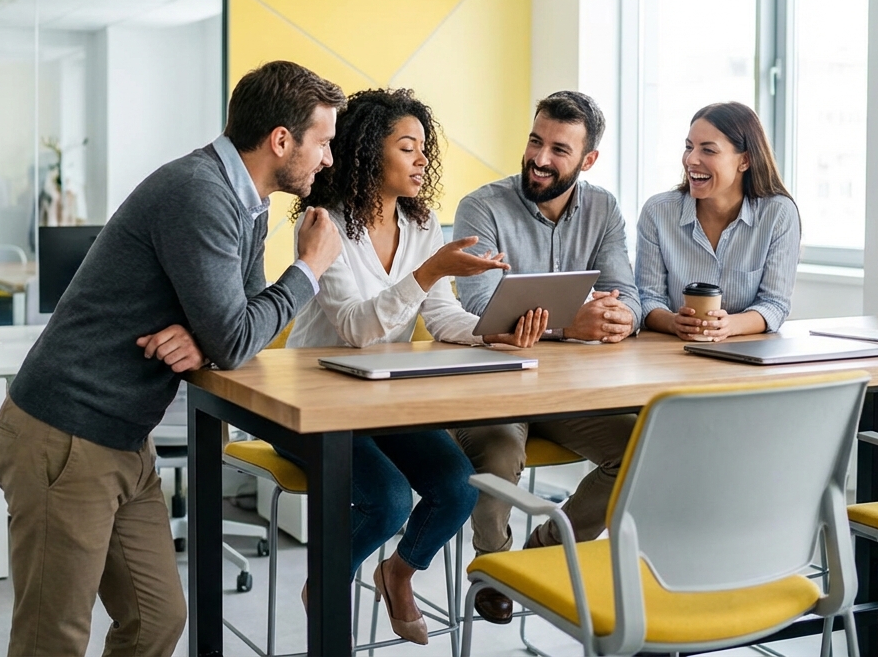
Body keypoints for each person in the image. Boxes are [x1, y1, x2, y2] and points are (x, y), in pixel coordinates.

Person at [0, 60, 346, 657]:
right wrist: (308, 269)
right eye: (324, 142)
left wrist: (211, 333)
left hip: (127, 439)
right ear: (281, 140)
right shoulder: (200, 192)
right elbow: (237, 334)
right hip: (67, 435)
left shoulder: (245, 202)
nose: (328, 159)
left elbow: (240, 323)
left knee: (157, 619)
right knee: (51, 640)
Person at [284, 88, 547, 644]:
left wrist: (491, 331)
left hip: (380, 397)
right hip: (313, 401)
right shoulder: (323, 225)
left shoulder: (421, 226)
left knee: (458, 483)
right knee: (389, 498)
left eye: (424, 148)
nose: (422, 160)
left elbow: (443, 314)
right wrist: (427, 273)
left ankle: (398, 573)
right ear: (366, 151)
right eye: (408, 147)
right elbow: (356, 328)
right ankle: (327, 581)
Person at [450, 90, 640, 625]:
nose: (539, 158)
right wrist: (570, 323)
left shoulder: (602, 208)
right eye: (536, 140)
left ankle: (541, 556)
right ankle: (491, 567)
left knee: (639, 448)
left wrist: (623, 315)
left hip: (567, 392)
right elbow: (483, 311)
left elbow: (628, 291)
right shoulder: (482, 207)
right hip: (496, 384)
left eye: (559, 149)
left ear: (588, 160)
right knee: (502, 453)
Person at [636, 101, 800, 341]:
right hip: (672, 352)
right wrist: (674, 323)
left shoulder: (778, 214)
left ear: (744, 161)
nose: (691, 160)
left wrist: (728, 325)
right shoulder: (658, 212)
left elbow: (774, 304)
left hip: (746, 352)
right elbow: (647, 299)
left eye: (708, 150)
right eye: (689, 147)